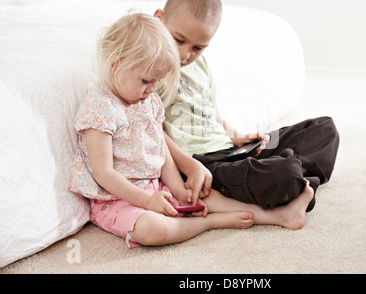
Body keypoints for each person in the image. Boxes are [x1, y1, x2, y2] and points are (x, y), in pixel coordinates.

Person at [70, 13, 315, 249]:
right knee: (152, 229)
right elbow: (104, 173)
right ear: (116, 66)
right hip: (117, 200)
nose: (151, 89)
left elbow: (160, 148)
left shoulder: (147, 100)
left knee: (206, 197)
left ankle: (279, 216)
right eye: (146, 81)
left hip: (155, 188)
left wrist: (178, 189)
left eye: (157, 82)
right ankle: (208, 223)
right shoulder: (100, 108)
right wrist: (147, 201)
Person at [155, 0, 340, 211]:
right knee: (280, 172)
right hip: (203, 163)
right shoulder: (151, 69)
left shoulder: (200, 65)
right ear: (159, 19)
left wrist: (238, 138)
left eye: (198, 47)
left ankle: (293, 180)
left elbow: (213, 114)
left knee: (324, 128)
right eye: (179, 40)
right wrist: (189, 166)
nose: (185, 54)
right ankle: (291, 177)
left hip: (231, 151)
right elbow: (153, 131)